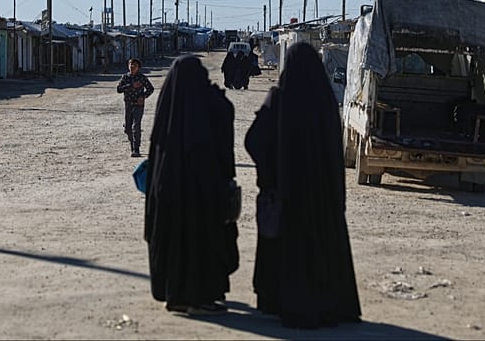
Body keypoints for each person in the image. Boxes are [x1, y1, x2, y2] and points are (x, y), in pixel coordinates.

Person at [244, 42, 361, 329]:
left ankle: (283, 302)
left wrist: (269, 173)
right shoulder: (325, 104)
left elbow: (253, 141)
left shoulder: (279, 100)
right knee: (323, 247)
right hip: (323, 199)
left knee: (289, 249)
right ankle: (329, 304)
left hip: (287, 195)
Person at [144, 54, 239, 316]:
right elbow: (223, 139)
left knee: (175, 241)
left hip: (169, 190)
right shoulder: (211, 106)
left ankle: (176, 295)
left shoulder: (169, 109)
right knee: (203, 239)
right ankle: (203, 295)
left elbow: (155, 154)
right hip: (204, 190)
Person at [117, 58, 154, 157]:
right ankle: (132, 144)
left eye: (134, 65)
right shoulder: (125, 77)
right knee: (128, 128)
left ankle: (136, 149)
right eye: (130, 64)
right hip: (128, 105)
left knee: (136, 126)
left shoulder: (142, 78)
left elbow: (150, 89)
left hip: (138, 105)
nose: (132, 67)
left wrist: (143, 96)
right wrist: (130, 85)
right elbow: (119, 89)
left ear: (138, 67)